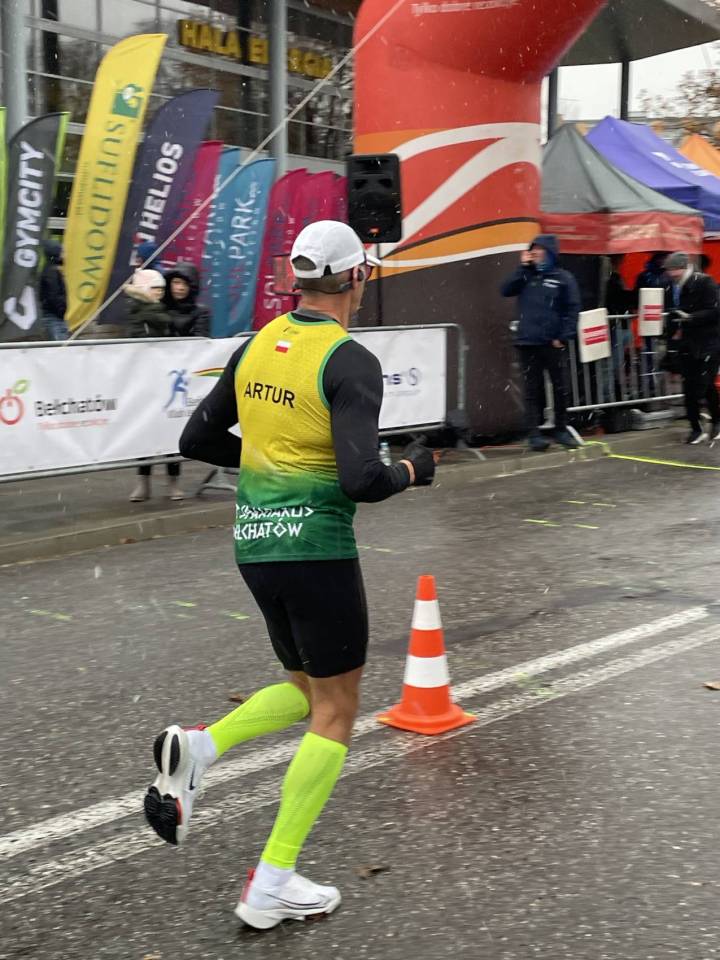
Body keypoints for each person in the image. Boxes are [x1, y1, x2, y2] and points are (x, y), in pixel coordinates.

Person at [142, 220, 436, 930]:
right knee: (337, 710)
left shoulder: (256, 346)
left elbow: (196, 439)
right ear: (356, 278)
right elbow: (361, 479)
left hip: (256, 546)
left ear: (298, 279)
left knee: (306, 688)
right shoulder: (349, 360)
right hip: (316, 548)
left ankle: (202, 747)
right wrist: (412, 468)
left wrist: (269, 465)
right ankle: (272, 880)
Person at [500, 234, 581, 451]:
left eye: (539, 249)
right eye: (532, 249)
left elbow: (572, 309)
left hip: (552, 343)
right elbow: (505, 289)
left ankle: (561, 429)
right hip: (528, 342)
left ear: (550, 252)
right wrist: (522, 268)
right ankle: (533, 434)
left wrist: (563, 336)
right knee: (532, 390)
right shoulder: (526, 276)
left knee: (561, 387)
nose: (534, 253)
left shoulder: (563, 278)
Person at [124, 270, 184, 501]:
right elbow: (159, 324)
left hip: (165, 375)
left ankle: (172, 482)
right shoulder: (141, 310)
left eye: (161, 289)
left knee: (170, 430)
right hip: (145, 377)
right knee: (146, 431)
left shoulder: (156, 308)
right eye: (155, 288)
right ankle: (144, 482)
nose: (159, 293)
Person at [663, 251, 720, 444]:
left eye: (674, 269)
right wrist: (671, 335)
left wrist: (690, 317)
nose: (671, 274)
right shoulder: (672, 287)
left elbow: (715, 311)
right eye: (669, 270)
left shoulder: (705, 282)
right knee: (690, 387)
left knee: (704, 385)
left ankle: (715, 422)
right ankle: (696, 428)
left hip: (708, 343)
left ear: (684, 267)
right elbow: (672, 315)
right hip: (687, 344)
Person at [163, 262, 210, 338]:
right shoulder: (159, 307)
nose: (180, 288)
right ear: (169, 283)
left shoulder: (201, 312)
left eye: (186, 284)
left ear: (192, 287)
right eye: (176, 282)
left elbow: (200, 341)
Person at [39, 240, 69, 341]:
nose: (65, 255)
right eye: (62, 252)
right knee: (59, 348)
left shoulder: (52, 271)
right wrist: (61, 310)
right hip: (54, 319)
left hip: (56, 318)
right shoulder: (51, 273)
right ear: (56, 253)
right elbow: (53, 296)